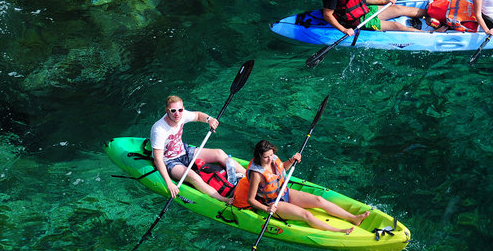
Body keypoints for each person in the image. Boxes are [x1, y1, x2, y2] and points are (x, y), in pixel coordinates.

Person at [233, 140, 370, 234]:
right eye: (266, 157)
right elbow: (251, 199)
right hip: (273, 202)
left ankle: (353, 218)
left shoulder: (273, 158)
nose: (270, 159)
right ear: (259, 156)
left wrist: (292, 160)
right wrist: (267, 208)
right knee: (306, 215)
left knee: (319, 200)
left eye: (271, 155)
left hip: (285, 192)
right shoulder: (257, 174)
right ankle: (338, 231)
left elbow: (282, 168)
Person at [150, 95, 245, 204]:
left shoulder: (182, 114)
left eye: (180, 110)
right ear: (167, 110)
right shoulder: (159, 129)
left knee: (219, 153)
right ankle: (222, 199)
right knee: (191, 175)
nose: (177, 114)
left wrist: (209, 119)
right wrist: (169, 183)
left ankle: (250, 176)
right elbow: (158, 159)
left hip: (183, 151)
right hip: (169, 161)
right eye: (173, 111)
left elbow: (199, 116)